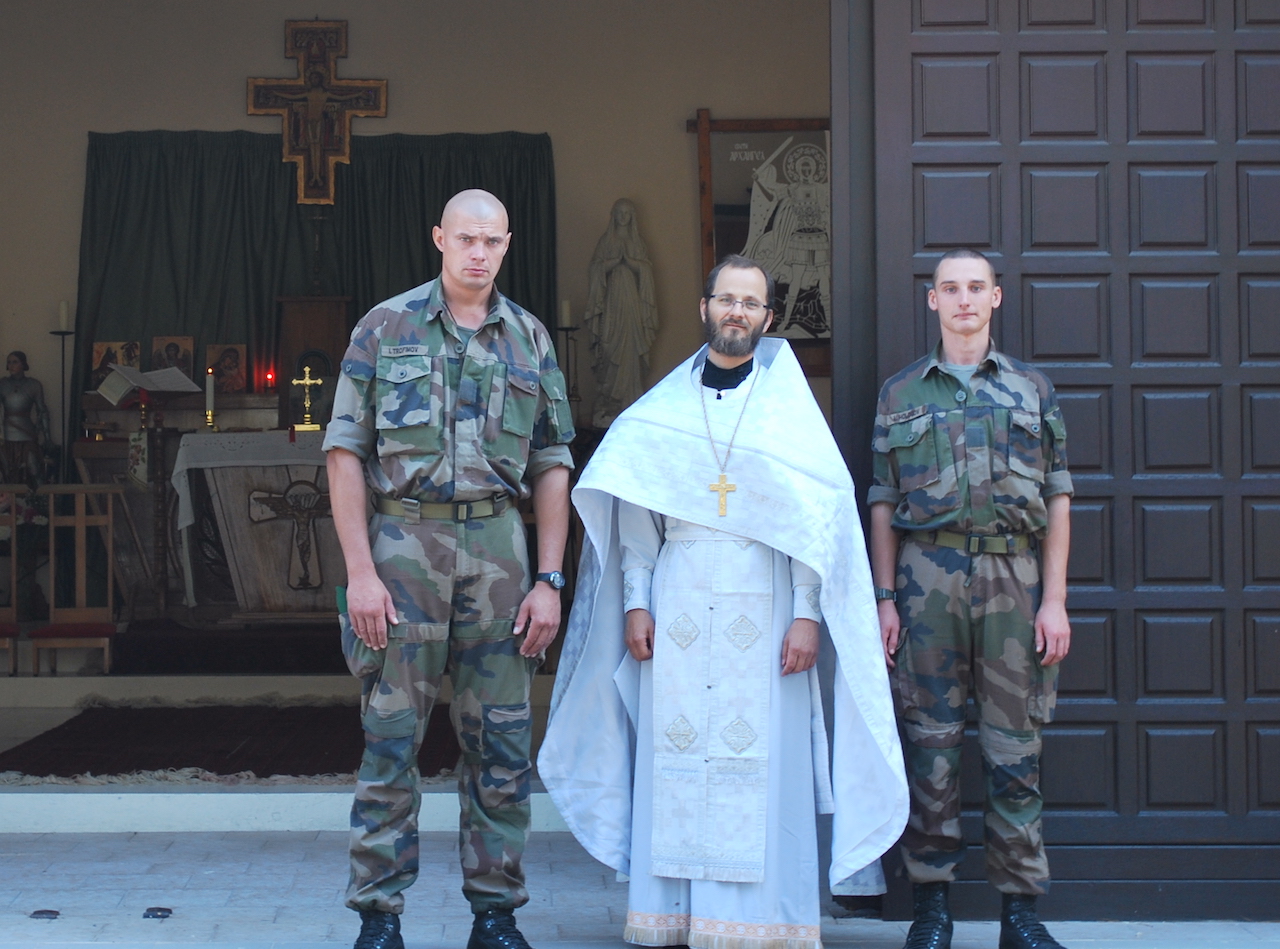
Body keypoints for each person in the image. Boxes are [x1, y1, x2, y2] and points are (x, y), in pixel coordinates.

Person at [539, 254, 907, 949]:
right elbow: (637, 517)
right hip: (675, 610)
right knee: (675, 757)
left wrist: (806, 613)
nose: (737, 312)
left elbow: (813, 525)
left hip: (764, 613)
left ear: (767, 319)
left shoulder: (788, 416)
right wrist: (635, 604)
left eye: (751, 303)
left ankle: (764, 923)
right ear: (704, 307)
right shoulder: (661, 413)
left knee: (762, 763)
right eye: (726, 299)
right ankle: (674, 918)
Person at [324, 189, 576, 949]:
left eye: (492, 241)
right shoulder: (385, 326)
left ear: (506, 245)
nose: (478, 252)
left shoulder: (529, 338)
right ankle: (378, 915)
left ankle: (494, 914)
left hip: (501, 551)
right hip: (403, 548)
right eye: (465, 237)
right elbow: (345, 453)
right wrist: (360, 572)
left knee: (501, 740)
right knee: (391, 735)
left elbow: (553, 462)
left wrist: (550, 577)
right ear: (438, 238)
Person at [869, 249, 1073, 949]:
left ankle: (1020, 913)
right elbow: (883, 500)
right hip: (927, 581)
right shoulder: (901, 393)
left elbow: (1057, 496)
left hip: (1014, 579)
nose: (963, 300)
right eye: (950, 289)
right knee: (931, 745)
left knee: (1016, 747)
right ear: (932, 301)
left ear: (997, 298)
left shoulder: (1032, 388)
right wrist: (885, 596)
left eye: (975, 288)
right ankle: (932, 907)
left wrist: (1056, 600)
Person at [585, 198, 659, 427]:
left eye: (628, 213)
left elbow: (646, 270)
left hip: (632, 306)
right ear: (614, 215)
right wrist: (613, 263)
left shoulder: (638, 242)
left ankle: (630, 400)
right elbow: (595, 270)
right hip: (611, 304)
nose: (624, 216)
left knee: (631, 350)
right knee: (608, 348)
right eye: (620, 212)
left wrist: (633, 264)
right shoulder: (606, 241)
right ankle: (609, 402)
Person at [0, 351, 52, 485]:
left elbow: (42, 411)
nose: (11, 365)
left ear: (23, 364)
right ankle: (11, 504)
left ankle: (41, 502)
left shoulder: (34, 385)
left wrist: (47, 437)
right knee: (7, 474)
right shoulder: (2, 384)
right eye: (9, 362)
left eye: (15, 362)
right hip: (6, 435)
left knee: (34, 469)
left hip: (27, 434)